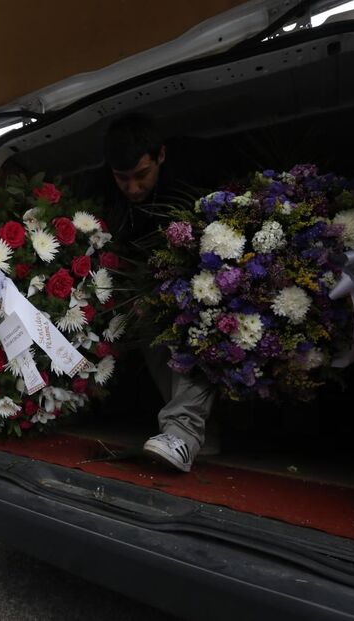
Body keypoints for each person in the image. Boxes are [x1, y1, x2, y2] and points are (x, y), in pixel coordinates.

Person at [103, 113, 216, 473]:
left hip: (195, 285)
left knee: (185, 327)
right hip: (145, 289)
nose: (133, 189)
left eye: (141, 175)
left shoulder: (192, 182)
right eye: (123, 179)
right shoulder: (109, 197)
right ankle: (198, 436)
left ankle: (183, 432)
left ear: (161, 157)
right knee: (152, 341)